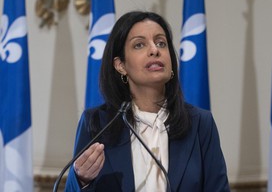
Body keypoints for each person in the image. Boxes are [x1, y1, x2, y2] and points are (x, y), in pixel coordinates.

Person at [65, 11, 230, 192]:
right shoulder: (97, 122)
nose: (154, 50)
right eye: (139, 45)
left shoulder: (200, 123)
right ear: (121, 65)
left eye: (161, 43)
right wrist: (81, 179)